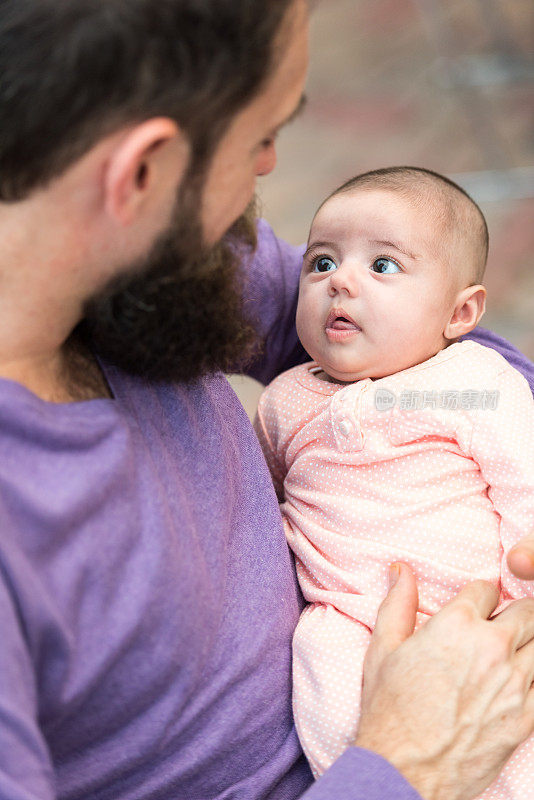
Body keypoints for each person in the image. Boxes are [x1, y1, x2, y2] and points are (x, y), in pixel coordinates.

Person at [0, 2, 534, 799]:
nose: (271, 166)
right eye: (259, 138)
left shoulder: (152, 258)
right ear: (141, 174)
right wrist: (410, 764)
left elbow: (439, 348)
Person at [253, 166, 534, 796]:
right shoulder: (284, 401)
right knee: (321, 672)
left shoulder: (472, 381)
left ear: (460, 312)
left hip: (483, 601)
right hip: (350, 615)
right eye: (320, 263)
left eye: (383, 266)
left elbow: (524, 475)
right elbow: (262, 496)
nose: (340, 282)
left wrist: (525, 575)